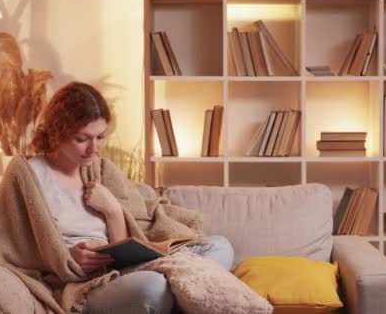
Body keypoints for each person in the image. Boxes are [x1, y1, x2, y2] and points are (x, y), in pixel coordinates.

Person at [27, 81, 234, 313]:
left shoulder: (100, 170)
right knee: (152, 286)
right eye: (82, 139)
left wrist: (112, 209)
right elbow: (7, 250)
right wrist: (65, 257)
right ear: (57, 132)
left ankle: (174, 293)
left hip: (124, 271)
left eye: (100, 137)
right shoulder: (30, 175)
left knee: (219, 246)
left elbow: (126, 248)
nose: (93, 149)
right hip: (83, 284)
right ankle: (179, 294)